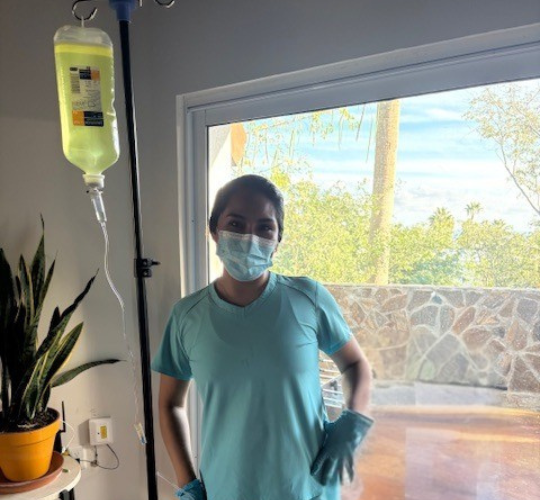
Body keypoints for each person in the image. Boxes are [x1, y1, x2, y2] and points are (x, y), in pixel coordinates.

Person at [151, 174, 374, 500]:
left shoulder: (308, 298)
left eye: (265, 227)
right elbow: (170, 404)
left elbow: (356, 364)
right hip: (228, 488)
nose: (250, 238)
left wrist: (352, 420)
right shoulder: (187, 316)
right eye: (236, 224)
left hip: (307, 486)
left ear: (278, 239)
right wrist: (187, 482)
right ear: (214, 230)